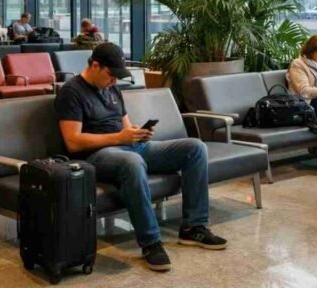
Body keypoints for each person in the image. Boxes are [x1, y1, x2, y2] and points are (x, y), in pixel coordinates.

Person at [55, 43, 226, 272]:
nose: (114, 81)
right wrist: (120, 137)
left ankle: (194, 227)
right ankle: (151, 242)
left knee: (195, 148)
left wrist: (138, 133)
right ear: (95, 65)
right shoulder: (71, 92)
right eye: (111, 75)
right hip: (97, 156)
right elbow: (73, 141)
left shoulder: (112, 89)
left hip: (129, 147)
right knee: (132, 162)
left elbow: (125, 126)